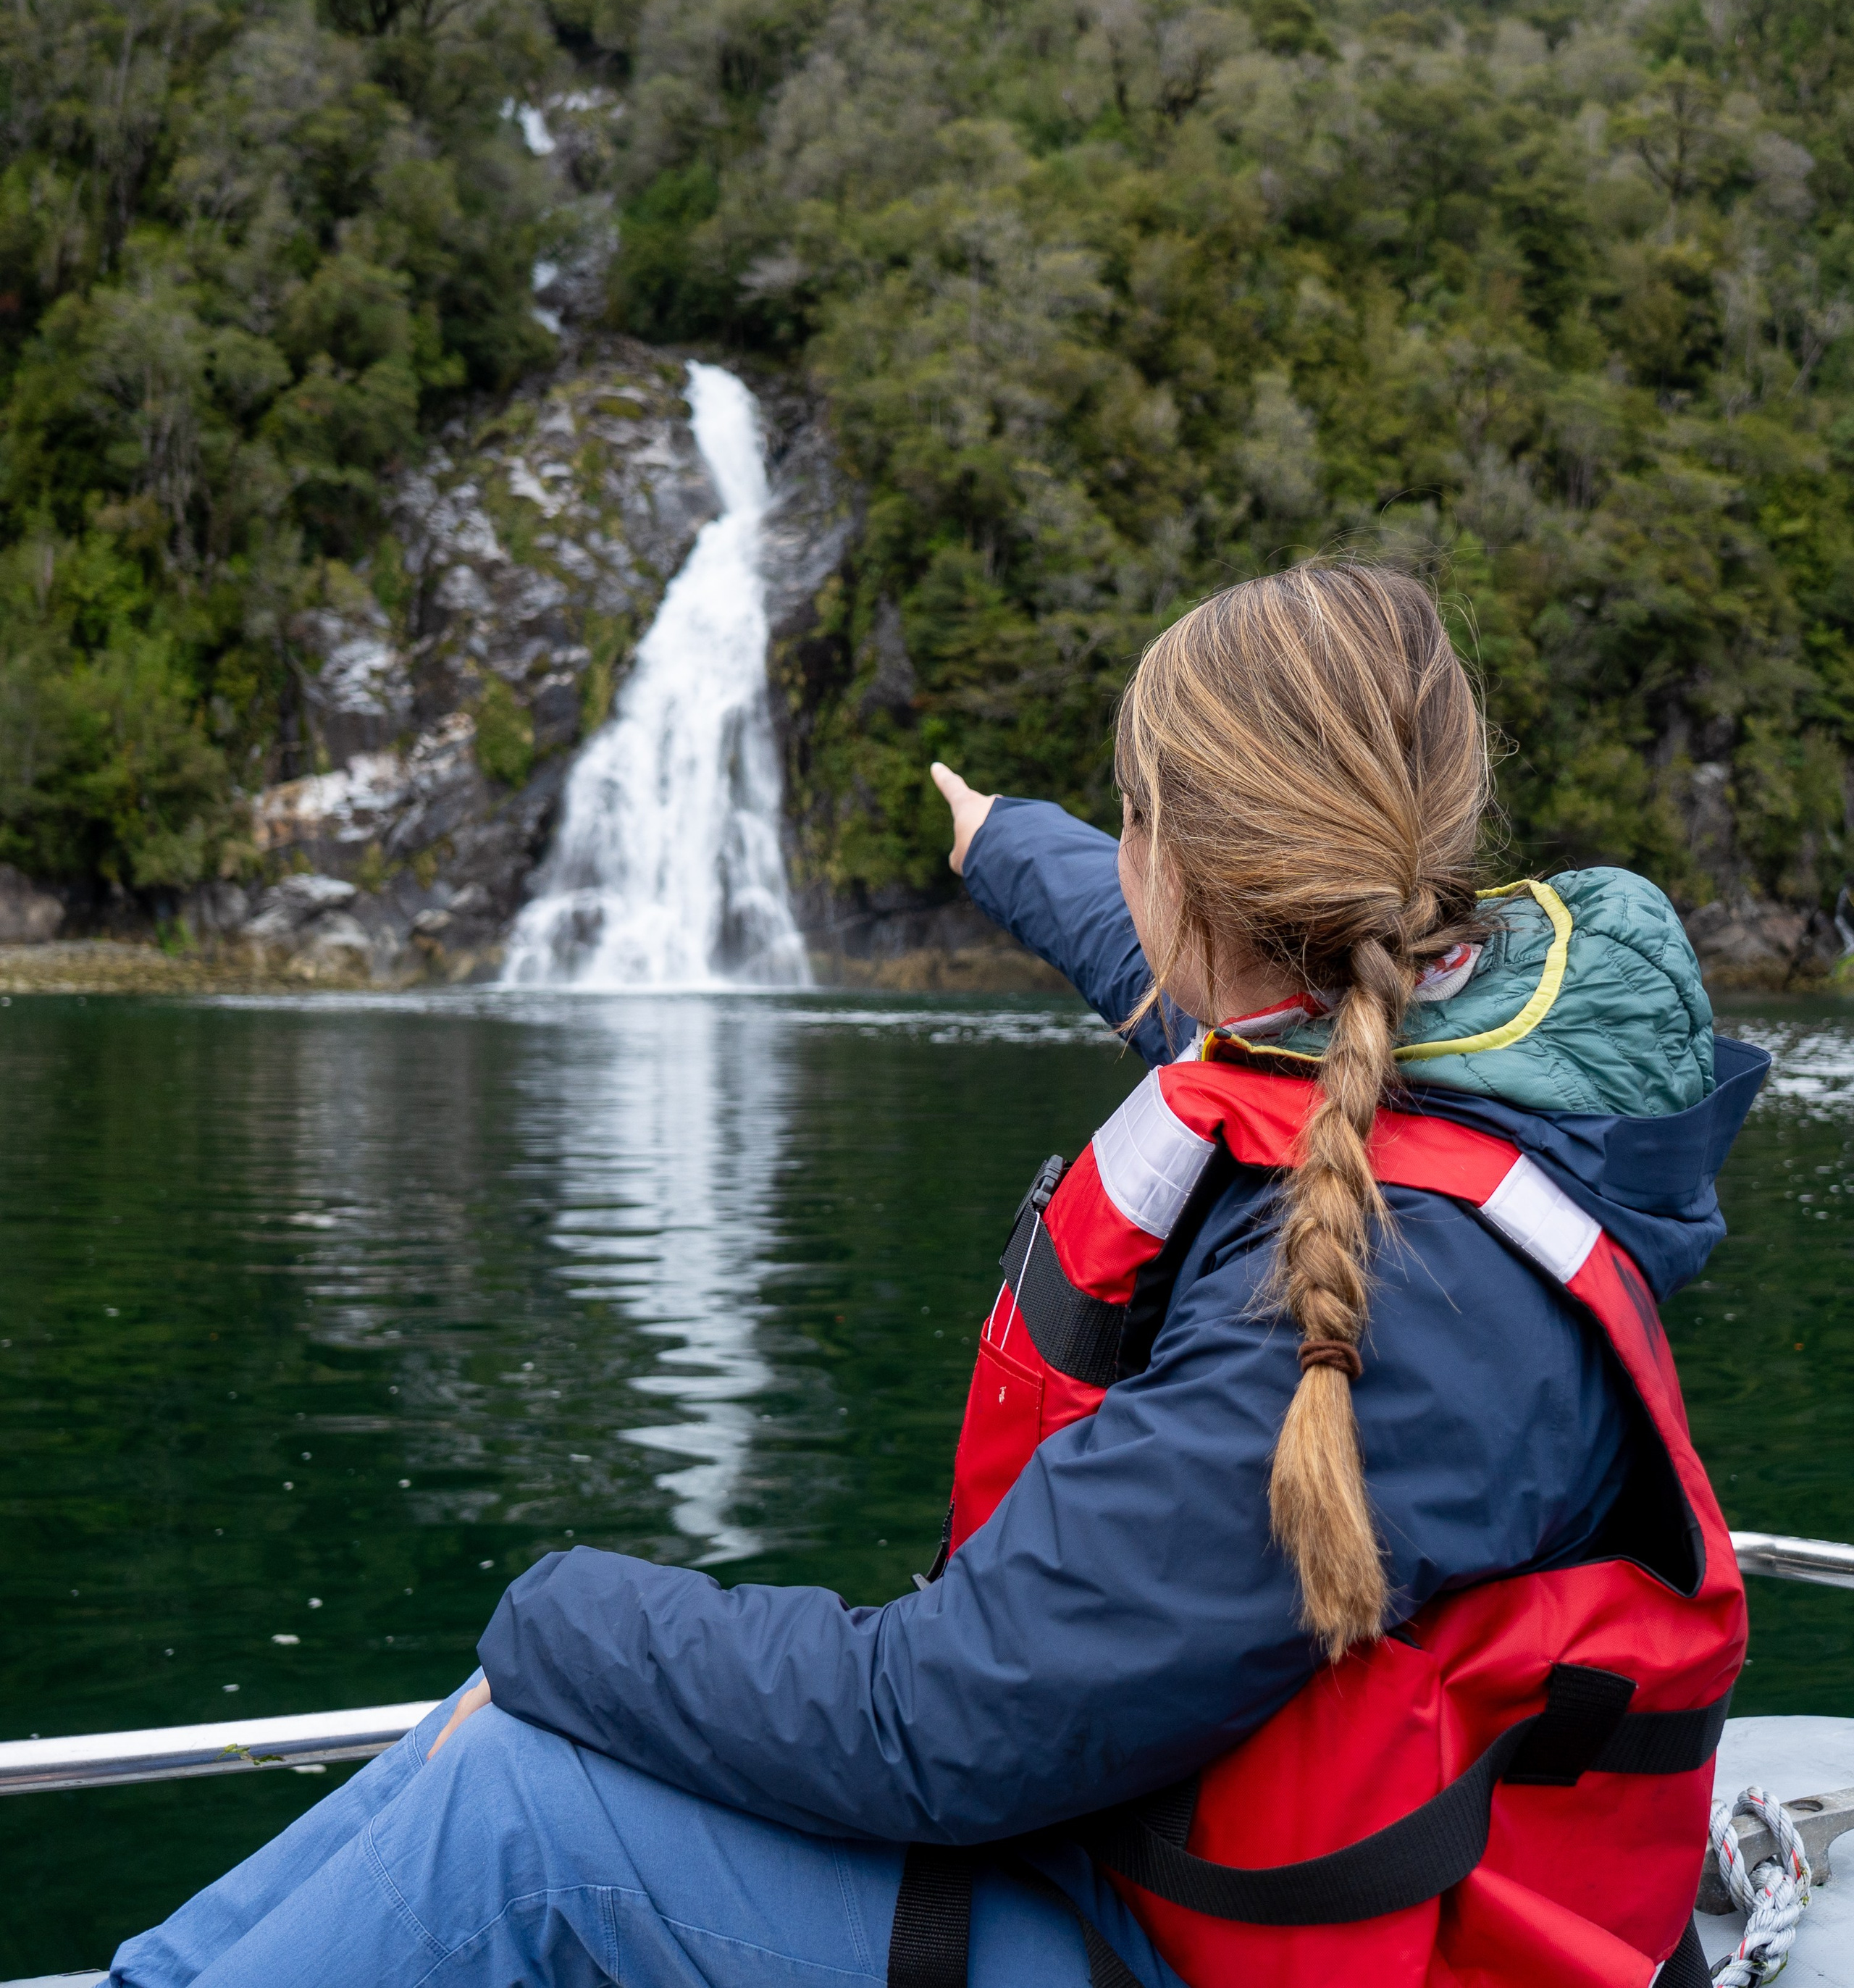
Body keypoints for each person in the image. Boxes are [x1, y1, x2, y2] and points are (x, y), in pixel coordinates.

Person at [113, 563, 1765, 1988]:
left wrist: (544, 1605)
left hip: (1248, 1945)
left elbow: (941, 1722)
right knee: (538, 1717)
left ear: (1186, 860)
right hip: (1217, 1887)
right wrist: (1004, 841)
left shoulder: (1382, 1303)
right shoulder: (1477, 1051)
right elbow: (1156, 966)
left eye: (1128, 815)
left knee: (526, 1792)